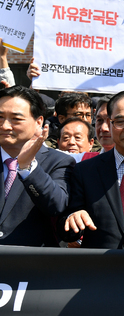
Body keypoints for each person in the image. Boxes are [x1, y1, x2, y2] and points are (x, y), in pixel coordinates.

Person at [61, 91, 124, 249]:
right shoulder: (85, 171)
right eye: (120, 121)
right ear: (110, 123)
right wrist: (73, 219)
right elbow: (65, 229)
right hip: (100, 268)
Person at [0, 86, 75, 246]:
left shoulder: (59, 162)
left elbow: (56, 205)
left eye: (16, 119)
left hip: (31, 263)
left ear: (39, 122)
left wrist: (28, 168)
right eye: (0, 117)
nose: (6, 126)